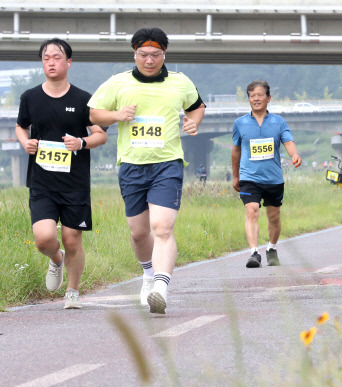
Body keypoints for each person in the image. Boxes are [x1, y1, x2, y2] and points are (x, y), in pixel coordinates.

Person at [88, 27, 205, 314]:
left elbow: (197, 106)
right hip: (131, 165)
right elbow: (93, 113)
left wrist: (194, 122)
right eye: (143, 55)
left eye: (156, 55)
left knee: (162, 227)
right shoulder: (119, 83)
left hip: (167, 163)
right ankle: (148, 275)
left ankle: (161, 288)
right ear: (134, 54)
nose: (149, 61)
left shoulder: (180, 82)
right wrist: (116, 115)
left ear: (164, 54)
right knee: (139, 233)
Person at [15, 39, 107, 309]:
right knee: (44, 238)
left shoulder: (83, 99)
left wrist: (81, 142)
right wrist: (25, 142)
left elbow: (100, 135)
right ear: (42, 62)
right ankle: (56, 259)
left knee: (72, 238)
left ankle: (73, 291)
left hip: (74, 184)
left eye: (57, 57)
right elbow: (22, 127)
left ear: (68, 62)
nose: (51, 62)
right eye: (46, 58)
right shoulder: (30, 97)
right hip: (42, 181)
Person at [232, 80, 302, 268]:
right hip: (249, 177)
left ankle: (271, 248)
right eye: (252, 95)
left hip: (273, 178)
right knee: (251, 210)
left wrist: (294, 154)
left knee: (274, 217)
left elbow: (288, 142)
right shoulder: (240, 123)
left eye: (260, 95)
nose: (256, 98)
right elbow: (236, 151)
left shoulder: (279, 122)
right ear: (249, 100)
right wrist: (235, 176)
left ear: (268, 98)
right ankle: (254, 253)